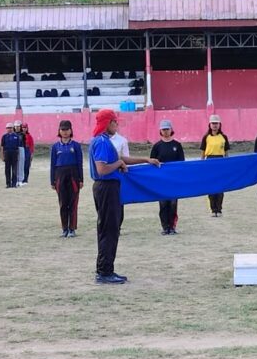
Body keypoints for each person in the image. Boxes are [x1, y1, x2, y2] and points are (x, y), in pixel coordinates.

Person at [90, 108, 161, 284]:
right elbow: (102, 169)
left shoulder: (105, 141)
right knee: (109, 229)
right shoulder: (101, 142)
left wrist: (146, 159)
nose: (117, 124)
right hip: (106, 188)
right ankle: (105, 271)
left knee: (110, 228)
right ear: (107, 123)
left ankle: (104, 268)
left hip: (109, 188)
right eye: (114, 121)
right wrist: (119, 163)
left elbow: (121, 158)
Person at [150, 119, 185, 236]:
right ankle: (165, 227)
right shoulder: (156, 146)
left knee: (173, 204)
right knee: (163, 204)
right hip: (161, 180)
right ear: (160, 130)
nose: (165, 131)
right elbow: (152, 162)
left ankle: (172, 226)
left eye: (167, 129)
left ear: (171, 130)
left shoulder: (177, 145)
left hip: (174, 180)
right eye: (163, 129)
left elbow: (182, 164)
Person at [51, 120, 84, 237]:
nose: (65, 132)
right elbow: (52, 164)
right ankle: (64, 228)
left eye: (67, 129)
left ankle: (72, 229)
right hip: (60, 175)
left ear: (71, 130)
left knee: (73, 203)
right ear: (59, 131)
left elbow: (80, 163)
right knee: (63, 203)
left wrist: (81, 179)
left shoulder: (75, 145)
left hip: (73, 175)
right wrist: (52, 181)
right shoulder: (55, 147)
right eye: (62, 130)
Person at [200, 115, 230, 217]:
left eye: (216, 123)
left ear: (219, 125)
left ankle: (219, 209)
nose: (215, 125)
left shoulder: (224, 137)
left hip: (221, 161)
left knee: (220, 186)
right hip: (209, 161)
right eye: (213, 123)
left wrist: (227, 164)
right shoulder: (206, 137)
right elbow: (203, 152)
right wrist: (202, 163)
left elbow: (226, 153)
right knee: (211, 186)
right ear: (210, 125)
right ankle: (213, 209)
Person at [2, 122, 22, 188]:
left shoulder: (16, 136)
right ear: (6, 129)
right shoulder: (4, 136)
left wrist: (18, 155)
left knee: (14, 169)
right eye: (8, 128)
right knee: (7, 169)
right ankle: (8, 184)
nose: (9, 129)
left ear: (12, 128)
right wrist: (2, 156)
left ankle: (14, 183)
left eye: (10, 128)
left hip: (14, 153)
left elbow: (18, 147)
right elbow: (2, 147)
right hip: (7, 153)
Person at [13, 121, 26, 188]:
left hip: (21, 149)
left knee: (21, 164)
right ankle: (15, 180)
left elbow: (24, 143)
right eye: (16, 126)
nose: (17, 127)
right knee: (15, 165)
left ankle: (20, 180)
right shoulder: (13, 134)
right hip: (14, 149)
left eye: (18, 126)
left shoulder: (22, 134)